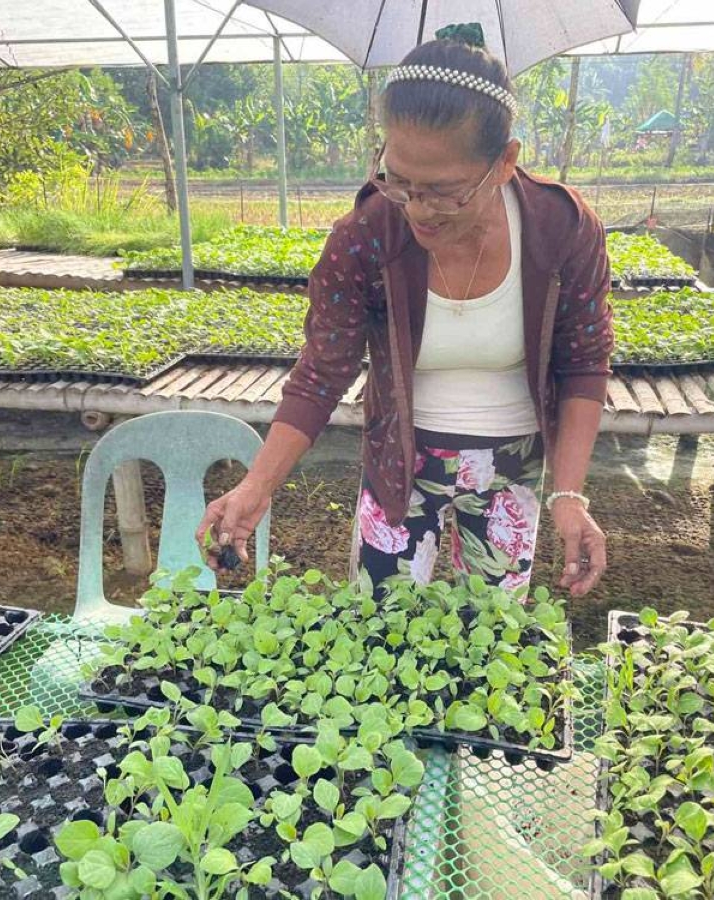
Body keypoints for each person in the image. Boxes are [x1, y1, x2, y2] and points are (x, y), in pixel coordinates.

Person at [197, 23, 613, 598]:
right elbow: (322, 373)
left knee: (490, 629)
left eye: (445, 190)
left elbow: (585, 364)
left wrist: (568, 496)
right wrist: (256, 487)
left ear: (506, 162)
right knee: (379, 628)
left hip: (514, 464)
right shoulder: (368, 234)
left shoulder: (560, 227)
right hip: (400, 461)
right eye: (400, 181)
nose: (419, 209)